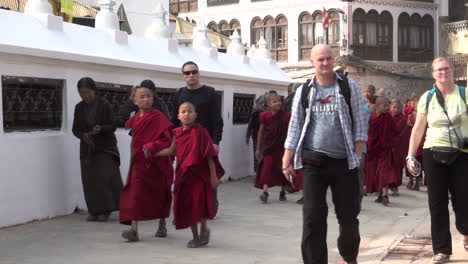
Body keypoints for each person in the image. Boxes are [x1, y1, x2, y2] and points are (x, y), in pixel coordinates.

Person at [282, 44, 368, 264]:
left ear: (334, 60)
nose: (325, 63)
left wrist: (357, 155)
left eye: (329, 58)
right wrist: (286, 159)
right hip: (313, 162)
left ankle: (349, 257)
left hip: (344, 162)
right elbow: (295, 126)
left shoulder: (349, 87)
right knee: (312, 218)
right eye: (320, 59)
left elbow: (360, 123)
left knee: (348, 217)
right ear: (312, 62)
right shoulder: (305, 90)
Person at [407, 57, 468, 263]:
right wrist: (409, 155)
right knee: (437, 203)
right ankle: (442, 249)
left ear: (453, 71)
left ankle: (466, 231)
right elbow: (418, 129)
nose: (444, 72)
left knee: (463, 199)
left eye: (447, 68)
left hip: (461, 153)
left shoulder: (464, 94)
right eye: (439, 69)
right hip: (433, 152)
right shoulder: (427, 97)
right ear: (433, 74)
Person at [156, 102, 223, 248]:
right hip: (183, 175)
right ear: (178, 116)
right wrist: (155, 153)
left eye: (190, 111)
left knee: (199, 204)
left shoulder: (201, 132)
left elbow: (210, 156)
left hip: (199, 176)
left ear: (195, 115)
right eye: (183, 112)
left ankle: (203, 229)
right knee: (188, 206)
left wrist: (213, 176)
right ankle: (196, 236)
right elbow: (172, 150)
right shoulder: (177, 132)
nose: (187, 114)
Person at [119, 86, 174, 242]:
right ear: (135, 100)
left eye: (149, 96)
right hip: (139, 162)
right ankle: (134, 229)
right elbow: (134, 139)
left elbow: (167, 140)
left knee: (161, 192)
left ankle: (162, 223)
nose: (146, 99)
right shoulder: (135, 118)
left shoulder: (159, 117)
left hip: (157, 162)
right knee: (135, 193)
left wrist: (152, 146)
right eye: (142, 97)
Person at [171, 61, 224, 213]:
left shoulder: (210, 92)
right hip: (185, 144)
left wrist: (216, 142)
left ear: (198, 74)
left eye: (194, 72)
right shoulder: (179, 94)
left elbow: (217, 120)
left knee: (208, 175)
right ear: (183, 76)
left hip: (205, 143)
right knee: (185, 176)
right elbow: (174, 121)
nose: (191, 75)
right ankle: (186, 208)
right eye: (187, 73)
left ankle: (210, 206)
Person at [72, 77, 123, 222]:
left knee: (104, 179)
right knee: (89, 180)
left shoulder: (104, 105)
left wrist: (101, 129)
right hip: (87, 149)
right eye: (82, 93)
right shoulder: (79, 108)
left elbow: (113, 125)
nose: (85, 96)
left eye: (87, 92)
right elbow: (75, 129)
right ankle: (94, 210)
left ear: (94, 90)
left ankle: (105, 210)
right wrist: (83, 135)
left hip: (105, 147)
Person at [255, 93, 291, 203]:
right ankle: (265, 192)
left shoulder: (286, 116)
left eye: (279, 101)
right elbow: (260, 132)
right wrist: (258, 148)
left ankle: (282, 191)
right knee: (267, 167)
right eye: (274, 102)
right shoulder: (264, 115)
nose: (278, 103)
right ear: (268, 104)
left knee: (282, 169)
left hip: (282, 147)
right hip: (268, 147)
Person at [364, 97, 398, 206]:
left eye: (388, 105)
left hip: (385, 150)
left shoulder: (388, 118)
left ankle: (385, 195)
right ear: (378, 106)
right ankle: (380, 194)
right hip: (375, 150)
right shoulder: (373, 118)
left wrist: (391, 143)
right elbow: (370, 134)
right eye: (385, 106)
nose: (387, 108)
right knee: (376, 173)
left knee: (384, 172)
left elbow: (395, 131)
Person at [245, 91, 274, 172]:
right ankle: (258, 173)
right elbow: (250, 125)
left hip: (268, 138)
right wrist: (247, 136)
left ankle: (264, 173)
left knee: (266, 156)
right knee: (257, 156)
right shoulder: (256, 112)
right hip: (256, 137)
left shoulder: (271, 111)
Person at [389, 99, 411, 196]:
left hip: (398, 147)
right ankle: (386, 186)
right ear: (390, 108)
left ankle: (395, 186)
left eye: (398, 108)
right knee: (388, 166)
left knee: (397, 167)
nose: (396, 110)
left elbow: (403, 134)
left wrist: (396, 141)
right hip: (388, 146)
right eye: (394, 107)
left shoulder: (402, 119)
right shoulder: (387, 117)